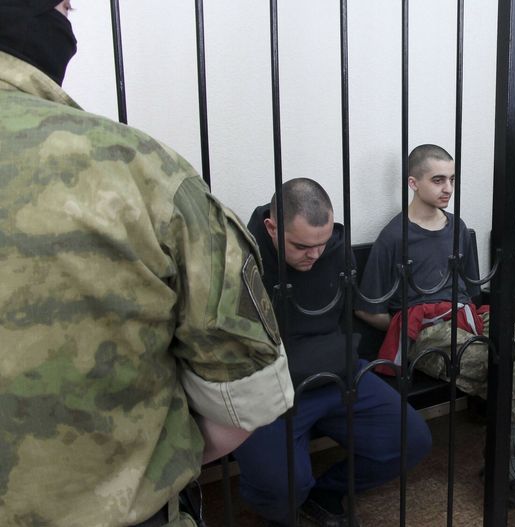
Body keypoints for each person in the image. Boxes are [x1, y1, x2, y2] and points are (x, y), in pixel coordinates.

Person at [0, 2, 295, 526]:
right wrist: (146, 466)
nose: (71, 15)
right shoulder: (138, 173)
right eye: (65, 5)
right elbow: (243, 403)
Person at [355, 144, 515, 511]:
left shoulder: (457, 226)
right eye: (438, 179)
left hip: (466, 314)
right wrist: (407, 324)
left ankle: (505, 460)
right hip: (426, 328)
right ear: (413, 183)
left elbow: (472, 291)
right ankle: (507, 469)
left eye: (452, 179)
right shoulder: (394, 236)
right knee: (505, 366)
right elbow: (367, 308)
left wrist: (467, 318)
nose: (448, 187)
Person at [235, 178, 432, 526]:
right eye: (302, 246)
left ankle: (325, 494)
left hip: (333, 374)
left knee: (411, 439)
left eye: (321, 244)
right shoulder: (239, 258)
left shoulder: (333, 248)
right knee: (281, 486)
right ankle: (281, 510)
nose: (315, 255)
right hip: (268, 387)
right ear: (270, 227)